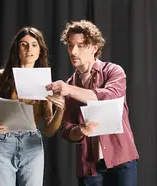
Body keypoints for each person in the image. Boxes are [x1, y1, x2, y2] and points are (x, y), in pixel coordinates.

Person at [45, 20, 139, 186]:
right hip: (90, 167)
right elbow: (66, 130)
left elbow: (111, 96)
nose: (73, 51)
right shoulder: (69, 84)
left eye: (80, 45)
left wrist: (70, 90)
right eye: (70, 45)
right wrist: (79, 130)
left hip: (121, 159)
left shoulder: (113, 71)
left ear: (94, 48)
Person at [0, 27, 65, 186]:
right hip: (3, 141)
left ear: (40, 50)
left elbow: (49, 130)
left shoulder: (45, 82)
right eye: (24, 44)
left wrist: (61, 110)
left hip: (31, 143)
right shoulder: (0, 76)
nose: (29, 49)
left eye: (35, 45)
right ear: (17, 49)